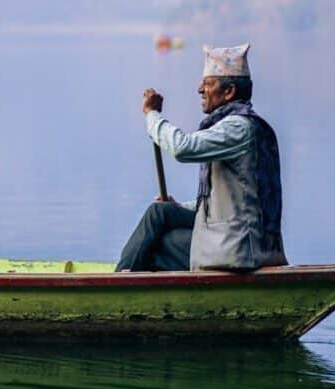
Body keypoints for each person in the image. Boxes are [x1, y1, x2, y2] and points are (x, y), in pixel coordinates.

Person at [116, 44, 287, 272]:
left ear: (229, 92)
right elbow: (229, 203)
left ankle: (117, 283)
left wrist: (152, 115)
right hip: (243, 239)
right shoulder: (243, 126)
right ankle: (127, 275)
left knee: (159, 243)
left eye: (208, 84)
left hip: (242, 249)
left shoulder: (238, 128)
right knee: (162, 212)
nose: (199, 89)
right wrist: (178, 207)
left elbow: (182, 148)